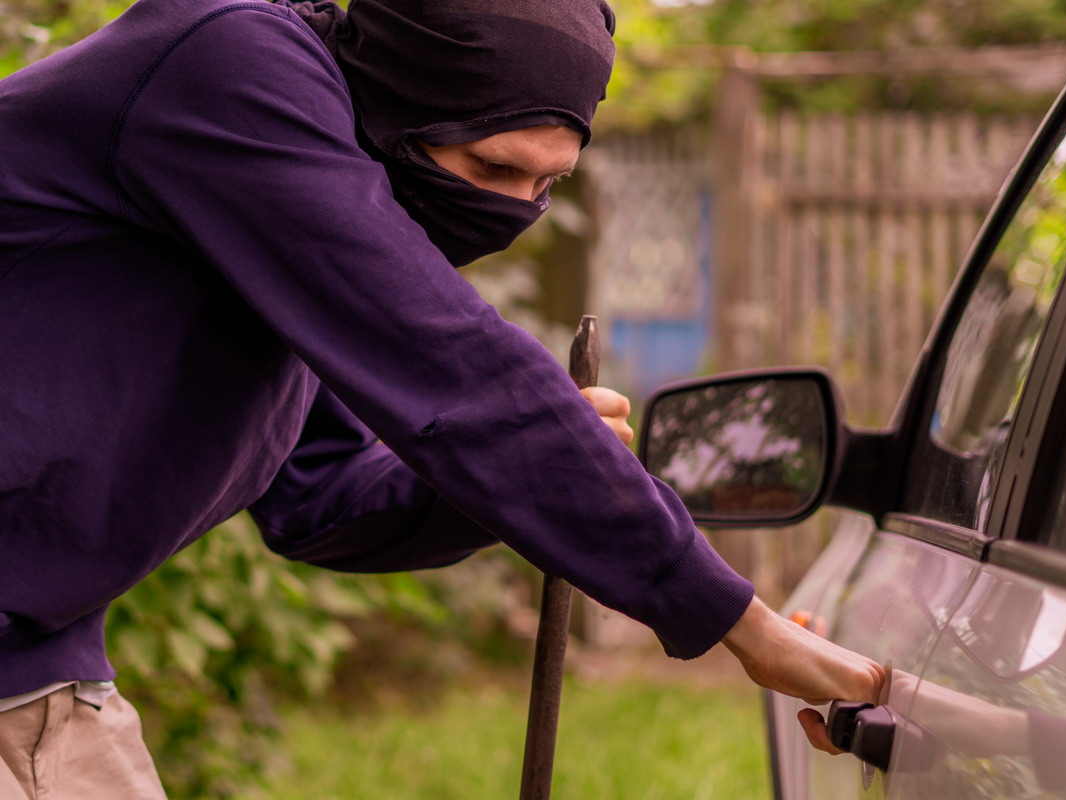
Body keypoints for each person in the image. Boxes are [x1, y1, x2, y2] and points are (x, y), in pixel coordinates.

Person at [0, 0, 883, 795]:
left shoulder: (284, 239)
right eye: (490, 165)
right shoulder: (226, 68)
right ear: (391, 108)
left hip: (43, 675)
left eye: (547, 185)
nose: (508, 212)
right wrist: (744, 624)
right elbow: (461, 375)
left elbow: (322, 496)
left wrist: (522, 478)